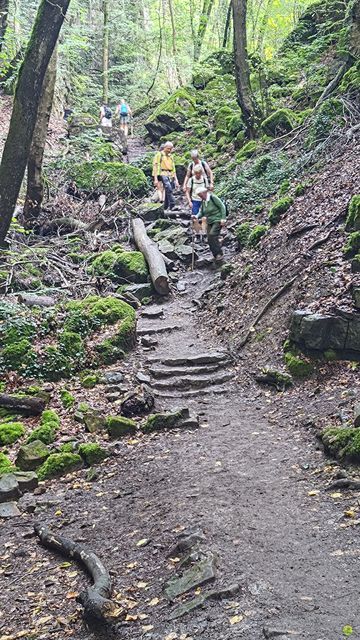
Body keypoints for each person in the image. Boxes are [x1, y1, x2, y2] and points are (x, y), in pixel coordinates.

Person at [196, 186, 226, 262]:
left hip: (217, 219)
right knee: (209, 239)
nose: (200, 196)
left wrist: (223, 218)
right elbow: (202, 212)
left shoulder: (213, 198)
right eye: (199, 195)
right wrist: (196, 216)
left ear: (204, 193)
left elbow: (222, 206)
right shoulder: (203, 201)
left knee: (213, 235)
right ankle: (215, 254)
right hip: (209, 221)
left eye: (200, 195)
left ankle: (219, 253)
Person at [153, 141, 180, 211]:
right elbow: (155, 166)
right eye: (168, 149)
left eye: (171, 149)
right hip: (162, 173)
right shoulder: (159, 155)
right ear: (164, 148)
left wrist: (176, 180)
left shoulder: (171, 156)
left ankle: (165, 206)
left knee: (169, 189)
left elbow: (173, 168)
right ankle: (173, 204)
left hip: (170, 174)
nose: (169, 150)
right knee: (168, 188)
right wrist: (155, 178)